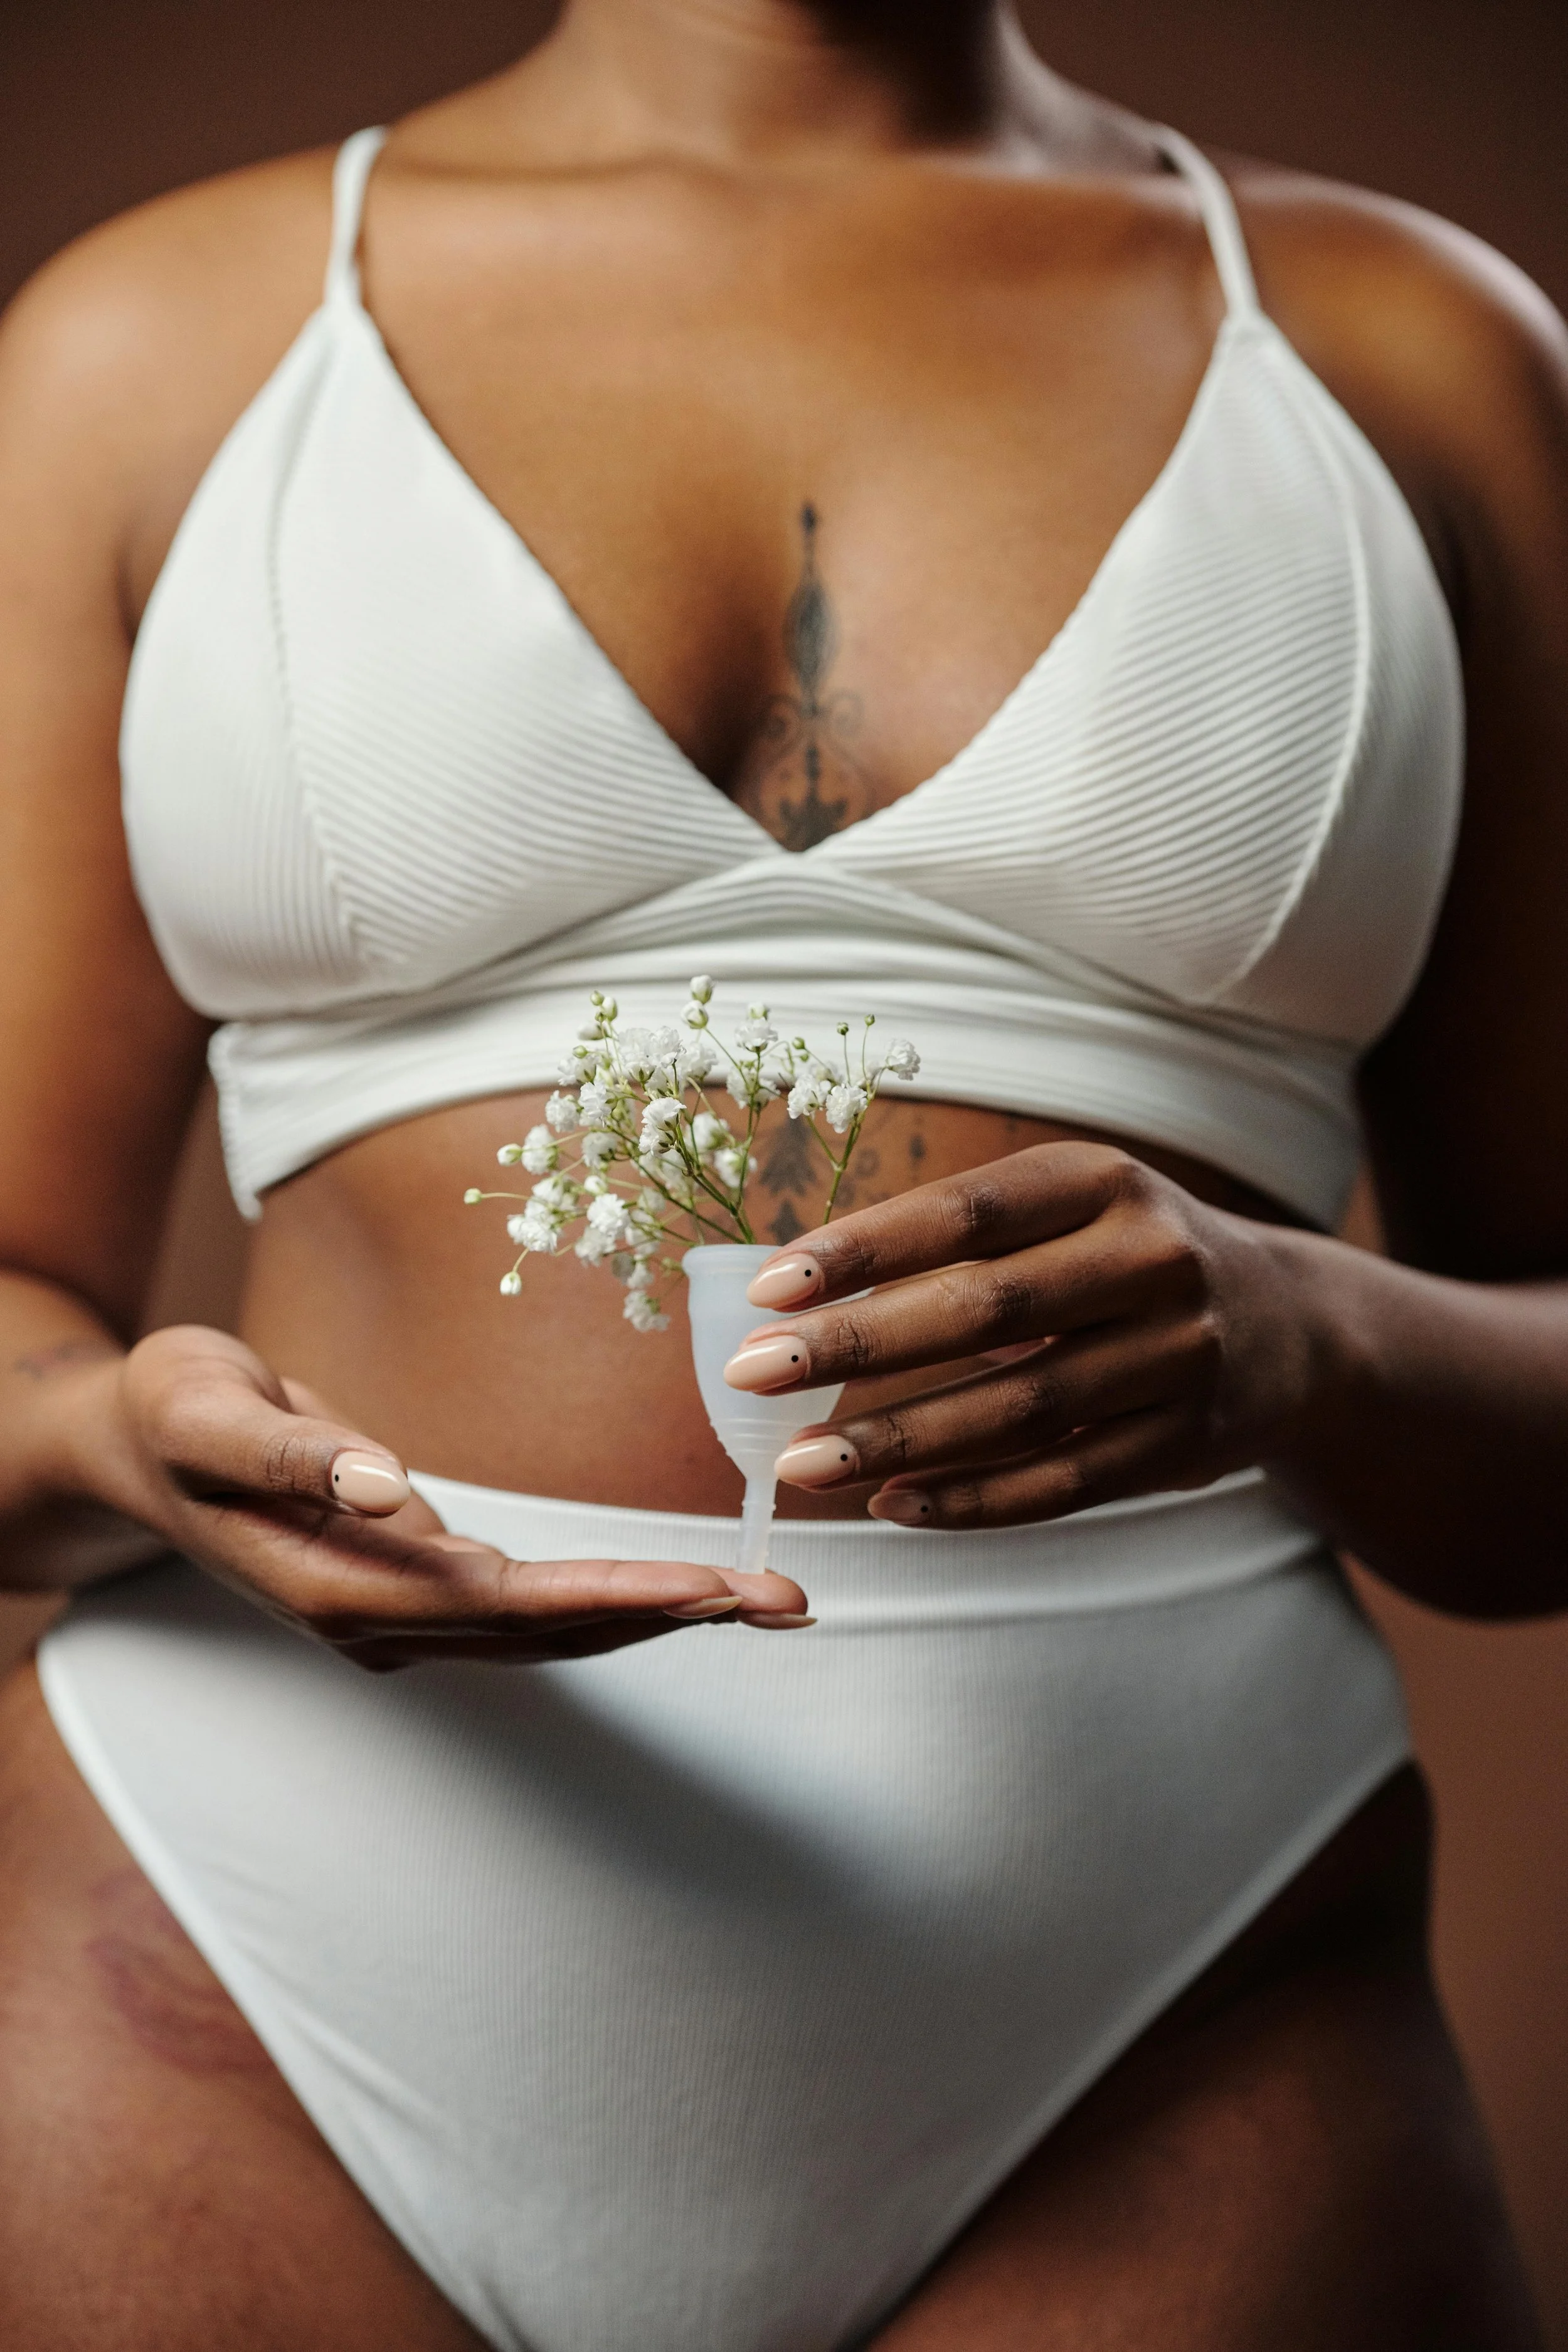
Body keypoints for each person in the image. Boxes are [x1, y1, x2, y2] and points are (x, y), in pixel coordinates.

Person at [0, 0, 1562, 2342]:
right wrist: (110, 1436)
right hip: (235, 1946)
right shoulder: (156, 341)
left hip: (1165, 1987)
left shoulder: (1409, 350)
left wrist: (1304, 1327)